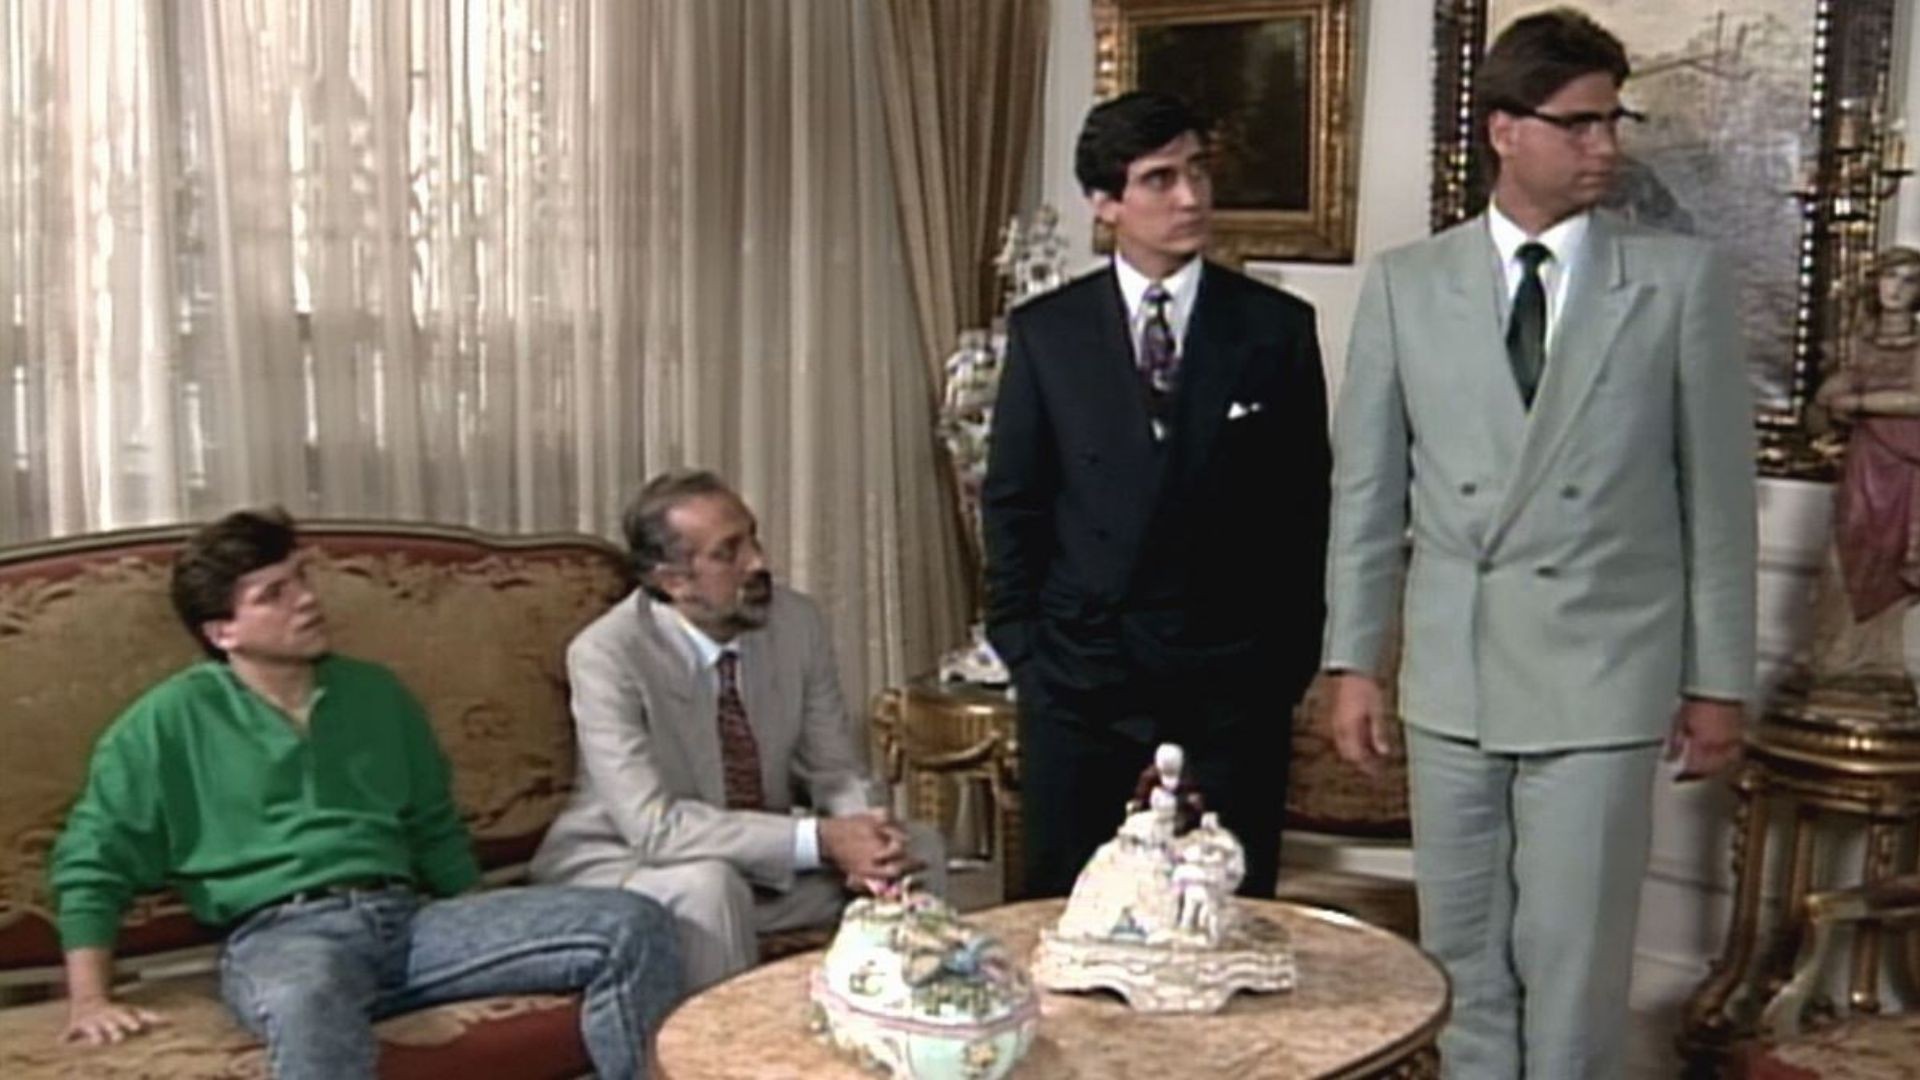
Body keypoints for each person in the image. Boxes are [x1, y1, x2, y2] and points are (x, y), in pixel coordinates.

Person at [1321, 10, 1756, 1077]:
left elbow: (1718, 500)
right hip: (1453, 673)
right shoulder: (1408, 283)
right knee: (1461, 958)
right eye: (1579, 124)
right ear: (1505, 131)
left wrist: (1717, 683)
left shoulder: (1676, 281)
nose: (1606, 146)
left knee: (1573, 964)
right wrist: (1353, 662)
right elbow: (1367, 496)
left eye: (1614, 121)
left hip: (1603, 671)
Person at [49, 508, 678, 1080]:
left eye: (301, 578)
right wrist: (89, 998)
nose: (306, 600)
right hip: (285, 936)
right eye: (274, 594)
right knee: (307, 997)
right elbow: (92, 860)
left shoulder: (374, 693)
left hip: (409, 921)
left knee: (632, 923)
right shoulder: (166, 723)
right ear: (223, 633)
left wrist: (487, 924)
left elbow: (433, 827)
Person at [981, 90, 1330, 899]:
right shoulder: (1048, 333)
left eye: (1198, 172)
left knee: (1223, 924)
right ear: (1105, 203)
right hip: (1080, 684)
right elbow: (1014, 504)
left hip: (1228, 693)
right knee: (1071, 917)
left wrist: (1281, 669)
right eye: (1160, 179)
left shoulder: (1274, 329)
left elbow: (1304, 512)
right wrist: (1027, 652)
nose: (1190, 196)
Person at [531, 469, 946, 992]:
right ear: (673, 581)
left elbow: (834, 768)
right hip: (628, 863)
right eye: (729, 553)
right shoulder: (608, 654)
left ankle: (912, 1029)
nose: (758, 563)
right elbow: (655, 828)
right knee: (709, 887)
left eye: (754, 539)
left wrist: (867, 836)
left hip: (758, 863)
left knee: (918, 849)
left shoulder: (797, 623)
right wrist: (821, 840)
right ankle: (717, 1045)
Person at [1812, 245, 1920, 688]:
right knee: (1843, 554)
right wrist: (1831, 397)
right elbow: (1826, 399)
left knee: (1890, 558)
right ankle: (1835, 659)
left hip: (1905, 466)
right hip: (1864, 462)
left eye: (1909, 280)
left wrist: (1859, 401)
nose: (1897, 289)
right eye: (1890, 277)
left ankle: (1878, 664)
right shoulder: (1856, 342)